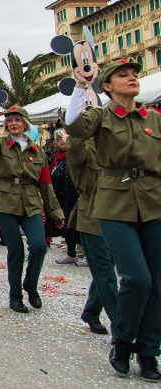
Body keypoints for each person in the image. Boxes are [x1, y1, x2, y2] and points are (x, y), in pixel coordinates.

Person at [65, 60, 161, 381]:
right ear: (107, 86)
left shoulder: (153, 119)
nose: (132, 78)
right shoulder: (101, 116)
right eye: (123, 75)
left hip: (154, 201)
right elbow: (74, 126)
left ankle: (148, 352)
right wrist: (81, 85)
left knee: (157, 283)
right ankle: (122, 340)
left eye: (134, 75)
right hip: (114, 203)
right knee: (137, 278)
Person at [0, 106, 64, 313]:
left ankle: (30, 286)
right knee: (15, 250)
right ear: (6, 124)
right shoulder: (0, 144)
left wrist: (56, 212)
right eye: (10, 120)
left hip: (31, 201)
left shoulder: (37, 149)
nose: (13, 123)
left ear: (25, 123)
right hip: (5, 200)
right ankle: (15, 296)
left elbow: (45, 183)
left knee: (39, 246)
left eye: (17, 119)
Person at [66, 134, 115, 336]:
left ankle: (92, 311)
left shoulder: (116, 145)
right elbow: (74, 148)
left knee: (109, 267)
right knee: (105, 271)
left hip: (119, 212)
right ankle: (123, 326)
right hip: (92, 214)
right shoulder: (83, 146)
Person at [49, 129, 81, 265]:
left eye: (64, 138)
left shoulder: (74, 154)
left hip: (75, 194)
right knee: (67, 224)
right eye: (59, 139)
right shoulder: (57, 157)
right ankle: (71, 252)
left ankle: (84, 252)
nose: (61, 141)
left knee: (78, 223)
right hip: (62, 195)